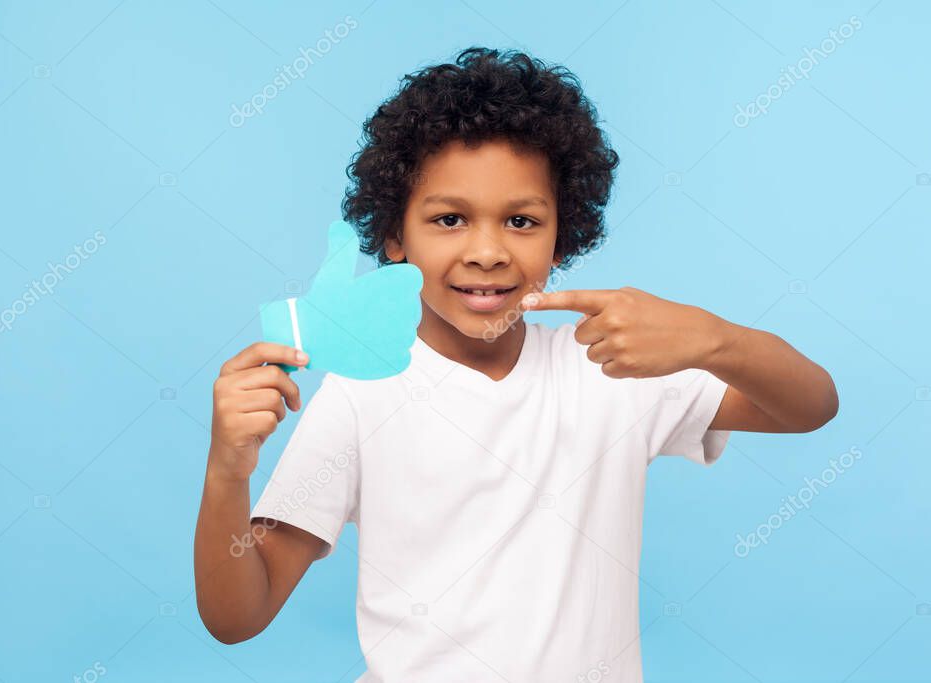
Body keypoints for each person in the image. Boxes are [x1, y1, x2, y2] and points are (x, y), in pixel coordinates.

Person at [194, 46, 838, 682]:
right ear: (395, 236)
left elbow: (810, 408)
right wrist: (228, 471)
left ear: (565, 233)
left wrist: (714, 339)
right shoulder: (362, 396)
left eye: (522, 221)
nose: (487, 251)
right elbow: (237, 616)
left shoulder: (611, 369)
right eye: (449, 218)